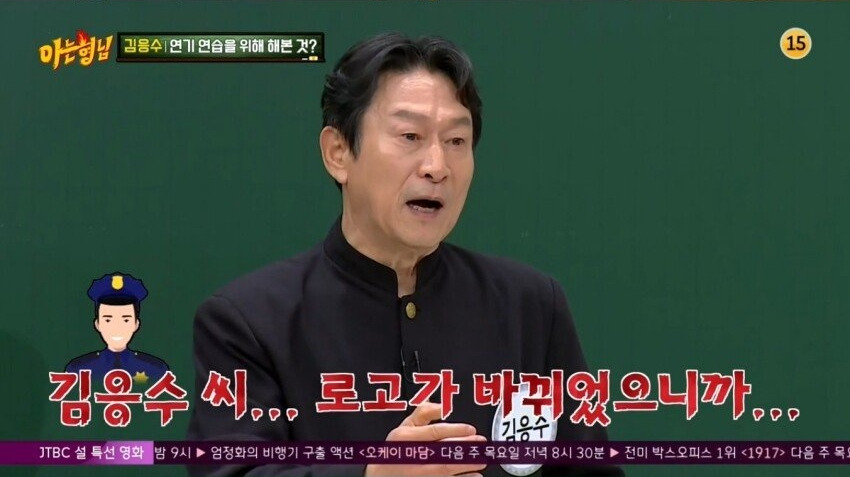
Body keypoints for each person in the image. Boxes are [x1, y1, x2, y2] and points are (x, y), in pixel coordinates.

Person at [187, 32, 622, 477]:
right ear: (338, 153)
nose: (437, 166)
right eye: (410, 136)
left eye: (456, 141)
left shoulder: (531, 307)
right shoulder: (248, 322)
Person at [65, 272, 169, 385]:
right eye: (108, 320)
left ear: (136, 324)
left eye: (126, 320)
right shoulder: (78, 369)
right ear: (97, 324)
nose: (117, 328)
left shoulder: (155, 369)